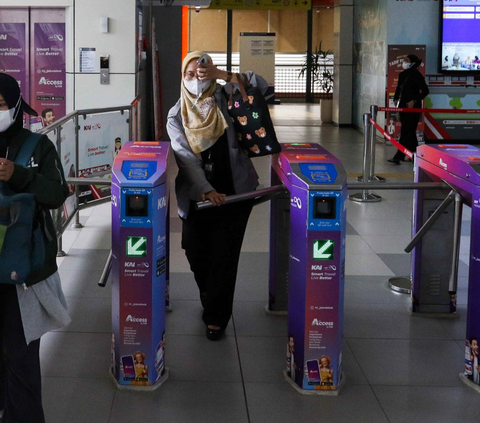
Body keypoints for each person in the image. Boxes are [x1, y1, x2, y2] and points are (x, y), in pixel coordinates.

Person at [167, 52, 267, 341]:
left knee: (224, 254)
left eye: (200, 72)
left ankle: (216, 317)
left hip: (236, 190)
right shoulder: (176, 115)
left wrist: (221, 74)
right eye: (188, 74)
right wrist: (205, 190)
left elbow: (261, 85)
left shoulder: (226, 96)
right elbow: (185, 158)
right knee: (194, 248)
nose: (194, 79)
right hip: (198, 195)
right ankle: (211, 296)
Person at [0, 73, 70, 423]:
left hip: (23, 273)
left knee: (20, 355)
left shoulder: (36, 146)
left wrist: (18, 174)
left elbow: (57, 194)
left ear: (14, 106)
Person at [388, 55, 429, 164]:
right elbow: (399, 87)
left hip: (413, 107)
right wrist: (396, 98)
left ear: (412, 63)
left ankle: (399, 156)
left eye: (406, 60)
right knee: (409, 132)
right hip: (402, 106)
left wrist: (414, 101)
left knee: (406, 131)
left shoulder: (417, 75)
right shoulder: (402, 74)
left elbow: (425, 91)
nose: (403, 62)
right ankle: (415, 155)